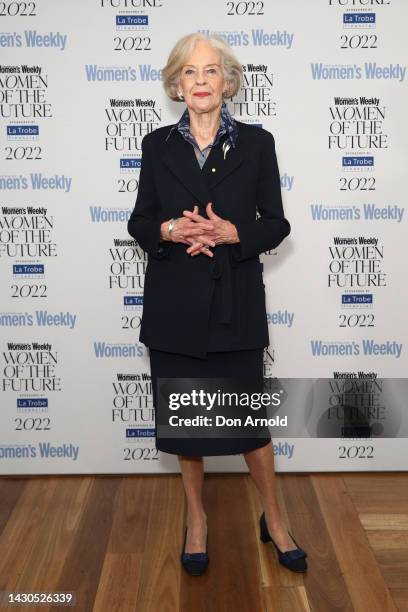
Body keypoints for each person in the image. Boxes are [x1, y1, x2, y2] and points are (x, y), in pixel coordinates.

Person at [127, 32, 308, 576]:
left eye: (211, 71)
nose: (201, 81)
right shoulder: (156, 146)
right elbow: (140, 220)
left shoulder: (258, 142)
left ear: (226, 82)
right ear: (176, 85)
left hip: (235, 304)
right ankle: (197, 521)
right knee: (186, 426)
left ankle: (274, 519)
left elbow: (277, 222)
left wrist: (233, 232)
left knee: (251, 423)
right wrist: (170, 227)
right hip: (175, 307)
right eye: (189, 72)